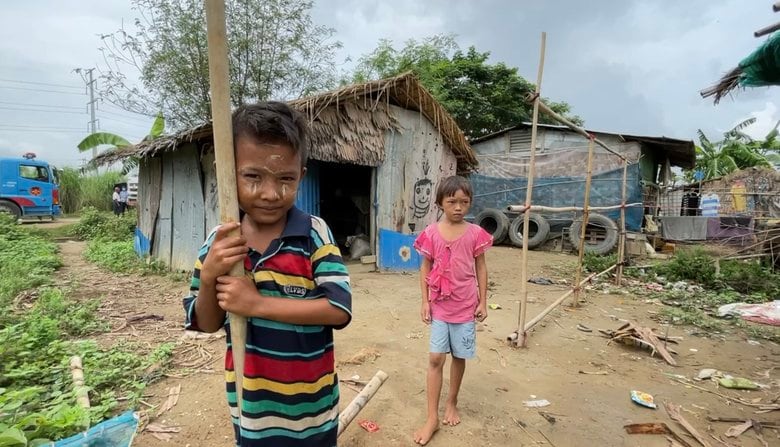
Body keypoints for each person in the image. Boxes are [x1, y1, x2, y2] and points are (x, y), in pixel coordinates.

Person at [183, 102, 352, 446]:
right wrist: (211, 276)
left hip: (313, 412)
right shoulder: (220, 244)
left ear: (301, 175)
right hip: (252, 413)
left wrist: (256, 305)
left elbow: (338, 309)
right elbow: (207, 323)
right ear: (226, 172)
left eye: (286, 179)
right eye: (253, 176)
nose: (271, 194)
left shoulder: (314, 233)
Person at [412, 176, 493, 446]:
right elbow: (425, 267)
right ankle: (431, 417)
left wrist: (483, 301)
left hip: (465, 306)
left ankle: (452, 402)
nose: (458, 207)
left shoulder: (475, 233)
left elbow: (481, 267)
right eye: (452, 202)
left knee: (459, 355)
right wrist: (425, 301)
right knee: (436, 358)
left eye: (464, 202)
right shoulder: (431, 233)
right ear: (440, 203)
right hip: (440, 306)